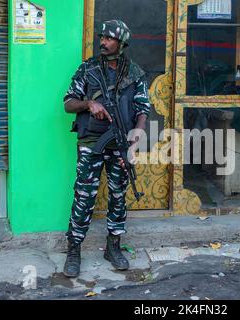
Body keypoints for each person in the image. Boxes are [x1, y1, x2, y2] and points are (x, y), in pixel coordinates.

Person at [62, 20, 150, 277]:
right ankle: (74, 249)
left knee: (119, 195)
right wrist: (89, 104)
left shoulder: (134, 74)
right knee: (84, 195)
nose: (103, 42)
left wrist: (135, 138)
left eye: (109, 38)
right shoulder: (87, 70)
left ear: (121, 43)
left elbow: (143, 110)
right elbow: (68, 103)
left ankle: (113, 247)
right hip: (91, 142)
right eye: (102, 37)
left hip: (121, 142)